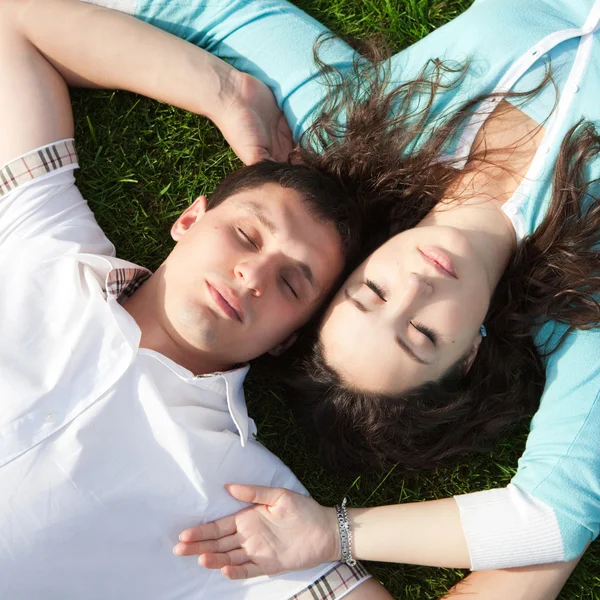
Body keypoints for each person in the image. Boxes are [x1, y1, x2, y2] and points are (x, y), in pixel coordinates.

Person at [118, 0, 600, 597]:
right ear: (472, 355)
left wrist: (223, 92)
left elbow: (209, 11)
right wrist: (335, 534)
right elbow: (553, 521)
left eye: (370, 291)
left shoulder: (359, 129)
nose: (417, 286)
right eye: (422, 335)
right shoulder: (581, 307)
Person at [0, 1, 394, 598]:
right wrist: (224, 92)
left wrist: (560, 510)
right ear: (189, 219)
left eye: (291, 283)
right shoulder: (46, 244)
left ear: (290, 337)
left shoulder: (244, 500)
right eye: (245, 233)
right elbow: (15, 26)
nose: (253, 274)